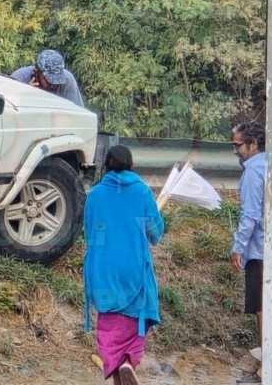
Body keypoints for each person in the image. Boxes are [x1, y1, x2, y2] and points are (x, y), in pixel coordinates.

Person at [84, 145, 164, 385]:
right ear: (132, 166)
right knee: (134, 318)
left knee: (110, 323)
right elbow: (156, 233)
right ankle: (129, 361)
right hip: (133, 267)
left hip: (103, 268)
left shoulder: (95, 194)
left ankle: (119, 365)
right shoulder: (142, 192)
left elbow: (89, 234)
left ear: (105, 167)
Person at [230, 120, 266, 383]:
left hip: (258, 249)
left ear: (252, 144)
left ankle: (268, 360)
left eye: (238, 145)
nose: (236, 151)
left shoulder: (254, 171)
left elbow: (251, 214)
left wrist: (238, 247)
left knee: (261, 306)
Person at [10, 49, 84, 106]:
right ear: (36, 72)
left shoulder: (67, 79)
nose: (53, 84)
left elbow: (78, 112)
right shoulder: (18, 79)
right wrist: (24, 95)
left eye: (58, 78)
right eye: (48, 79)